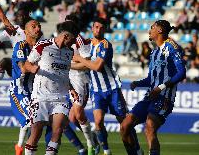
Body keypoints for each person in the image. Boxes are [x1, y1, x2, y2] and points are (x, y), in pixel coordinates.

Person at [73, 18, 142, 155]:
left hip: (112, 89)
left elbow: (97, 66)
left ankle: (137, 150)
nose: (98, 30)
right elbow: (86, 64)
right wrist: (68, 66)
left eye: (101, 28)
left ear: (104, 30)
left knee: (124, 124)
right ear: (92, 28)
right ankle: (106, 151)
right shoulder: (88, 45)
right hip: (97, 91)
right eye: (96, 27)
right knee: (98, 122)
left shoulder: (105, 45)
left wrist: (79, 58)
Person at [120, 20, 186, 155]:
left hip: (164, 98)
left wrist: (161, 87)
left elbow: (182, 72)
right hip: (150, 96)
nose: (149, 31)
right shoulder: (154, 52)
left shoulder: (171, 46)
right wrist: (137, 83)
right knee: (125, 126)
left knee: (150, 127)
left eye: (152, 28)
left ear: (160, 30)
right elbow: (151, 79)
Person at [24, 21, 80, 155]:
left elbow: (64, 74)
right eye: (72, 40)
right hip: (40, 96)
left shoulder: (69, 52)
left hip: (60, 97)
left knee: (58, 130)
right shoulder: (43, 46)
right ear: (65, 36)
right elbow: (27, 64)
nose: (74, 44)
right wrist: (33, 68)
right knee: (36, 132)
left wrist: (71, 88)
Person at [65, 14, 97, 155]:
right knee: (71, 118)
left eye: (69, 24)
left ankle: (91, 145)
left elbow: (87, 65)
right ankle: (93, 139)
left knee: (78, 114)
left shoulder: (80, 41)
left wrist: (68, 65)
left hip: (80, 80)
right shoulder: (62, 38)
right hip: (66, 80)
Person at [10, 19, 43, 155]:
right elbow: (23, 68)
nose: (37, 29)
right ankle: (21, 148)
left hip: (35, 92)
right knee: (31, 121)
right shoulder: (21, 46)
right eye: (33, 26)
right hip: (19, 91)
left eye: (38, 26)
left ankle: (19, 147)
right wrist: (39, 67)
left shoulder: (42, 48)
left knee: (34, 122)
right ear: (25, 31)